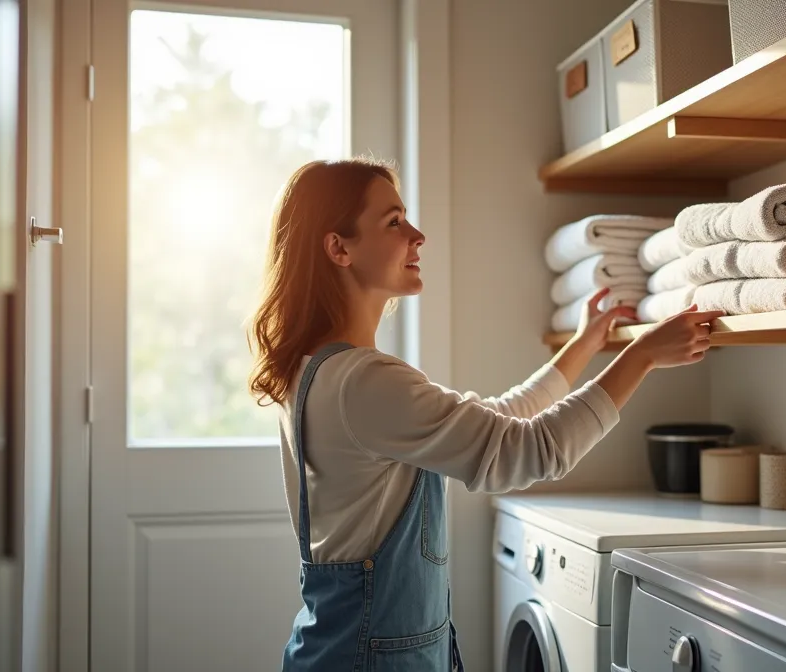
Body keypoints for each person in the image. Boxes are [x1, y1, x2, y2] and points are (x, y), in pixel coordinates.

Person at [248, 158, 720, 671]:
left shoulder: (318, 371)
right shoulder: (363, 381)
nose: (418, 235)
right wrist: (641, 357)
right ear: (339, 248)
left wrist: (584, 345)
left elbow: (499, 421)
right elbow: (530, 451)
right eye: (393, 222)